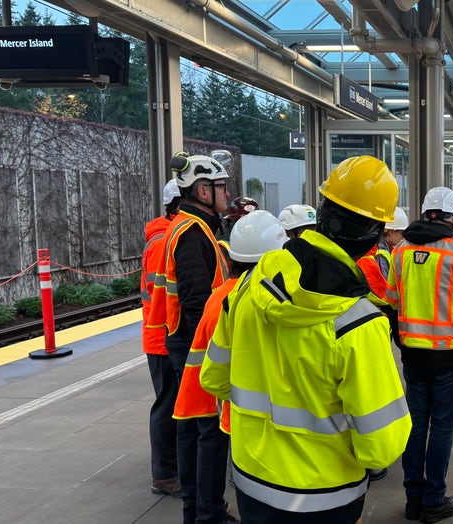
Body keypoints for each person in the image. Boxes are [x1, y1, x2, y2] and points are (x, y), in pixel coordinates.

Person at [200, 156, 411, 524]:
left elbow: (213, 379)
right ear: (376, 232)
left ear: (323, 209)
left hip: (252, 483)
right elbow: (381, 447)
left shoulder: (249, 287)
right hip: (326, 498)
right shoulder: (358, 323)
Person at [385, 187, 453, 523]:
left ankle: (413, 499)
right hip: (449, 358)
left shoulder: (399, 251)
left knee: (415, 426)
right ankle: (434, 500)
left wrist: (402, 341)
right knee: (441, 429)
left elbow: (392, 305)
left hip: (413, 357)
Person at [148, 153, 233, 524]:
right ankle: (209, 514)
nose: (227, 194)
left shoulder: (183, 227)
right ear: (202, 190)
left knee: (188, 426)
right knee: (210, 432)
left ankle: (194, 511)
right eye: (221, 187)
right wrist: (220, 349)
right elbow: (198, 301)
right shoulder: (192, 234)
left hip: (181, 341)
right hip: (196, 345)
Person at [174, 210, 287, 452]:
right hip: (232, 408)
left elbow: (214, 376)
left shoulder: (223, 296)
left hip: (217, 399)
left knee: (204, 442)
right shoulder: (260, 302)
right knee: (210, 445)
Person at [141, 177, 183, 498]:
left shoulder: (167, 237)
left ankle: (172, 468)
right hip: (162, 338)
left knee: (172, 404)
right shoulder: (162, 243)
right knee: (166, 405)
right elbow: (164, 296)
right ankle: (164, 475)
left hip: (165, 336)